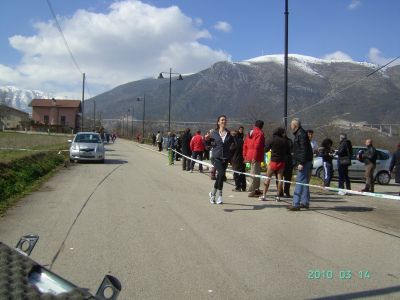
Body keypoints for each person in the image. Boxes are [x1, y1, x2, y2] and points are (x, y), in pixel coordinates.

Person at [206, 115, 234, 205]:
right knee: (221, 174)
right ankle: (220, 196)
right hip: (215, 157)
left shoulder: (229, 134)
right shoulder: (213, 133)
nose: (223, 121)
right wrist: (206, 139)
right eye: (222, 120)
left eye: (225, 120)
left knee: (220, 177)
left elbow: (234, 145)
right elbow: (206, 144)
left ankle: (213, 194)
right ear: (218, 122)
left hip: (225, 159)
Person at [287, 118, 313, 211]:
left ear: (295, 125)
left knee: (299, 181)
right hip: (307, 160)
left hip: (304, 161)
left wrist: (301, 162)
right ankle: (305, 202)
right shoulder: (300, 133)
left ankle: (296, 203)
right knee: (304, 182)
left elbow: (304, 149)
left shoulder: (301, 134)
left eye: (291, 124)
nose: (290, 126)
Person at [259, 127, 290, 201]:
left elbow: (265, 149)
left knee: (268, 178)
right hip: (281, 161)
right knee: (280, 179)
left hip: (273, 161)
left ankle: (264, 195)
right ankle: (278, 196)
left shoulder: (272, 139)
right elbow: (288, 152)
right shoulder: (285, 141)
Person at [243, 120, 265, 197]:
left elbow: (245, 145)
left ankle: (256, 189)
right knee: (254, 173)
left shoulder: (250, 133)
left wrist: (245, 156)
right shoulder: (260, 133)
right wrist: (254, 157)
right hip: (256, 156)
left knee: (255, 172)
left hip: (249, 154)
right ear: (261, 126)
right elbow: (257, 146)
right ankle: (252, 190)